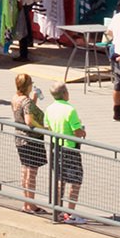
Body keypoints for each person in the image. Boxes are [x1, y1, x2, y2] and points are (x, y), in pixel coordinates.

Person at [42, 81, 87, 220]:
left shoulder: (49, 108)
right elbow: (77, 131)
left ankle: (57, 210)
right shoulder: (70, 110)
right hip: (70, 148)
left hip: (56, 147)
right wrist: (83, 132)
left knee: (60, 180)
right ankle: (70, 213)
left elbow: (47, 126)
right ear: (65, 93)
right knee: (76, 181)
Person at [10, 68, 48, 213]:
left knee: (25, 171)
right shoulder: (26, 102)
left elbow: (26, 109)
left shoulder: (15, 98)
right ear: (28, 85)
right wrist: (43, 128)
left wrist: (34, 98)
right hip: (31, 140)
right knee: (31, 174)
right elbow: (29, 121)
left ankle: (26, 203)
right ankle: (31, 205)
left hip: (19, 138)